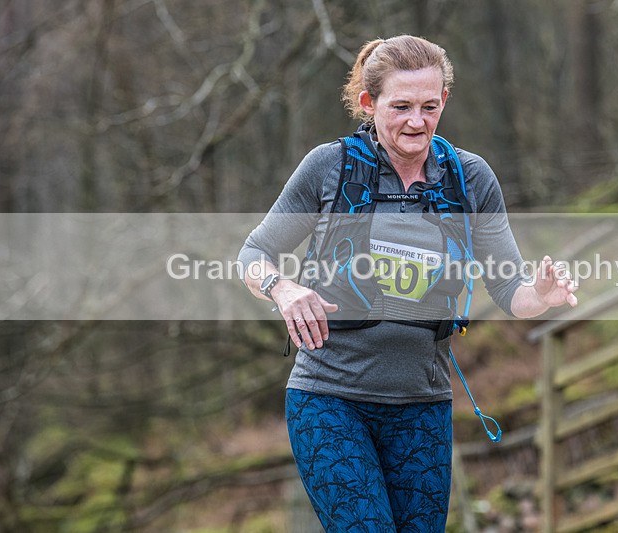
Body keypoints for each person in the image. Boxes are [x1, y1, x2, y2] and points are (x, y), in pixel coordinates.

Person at [239, 35, 577, 532]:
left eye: (429, 106)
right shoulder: (328, 168)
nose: (416, 122)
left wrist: (542, 296)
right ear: (368, 103)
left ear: (444, 101)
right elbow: (253, 255)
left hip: (423, 406)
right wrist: (283, 289)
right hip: (329, 400)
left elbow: (512, 293)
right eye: (401, 107)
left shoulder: (470, 180)